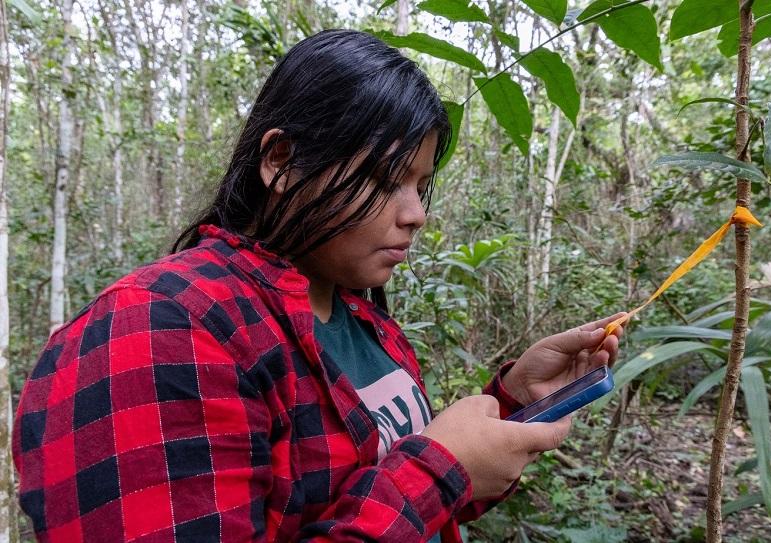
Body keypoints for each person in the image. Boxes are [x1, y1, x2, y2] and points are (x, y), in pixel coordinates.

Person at [12, 29, 623, 542]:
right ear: (280, 160)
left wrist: (511, 404)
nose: (416, 214)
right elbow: (414, 488)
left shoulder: (357, 316)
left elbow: (383, 500)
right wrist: (441, 468)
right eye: (387, 179)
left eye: (420, 184)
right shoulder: (159, 330)